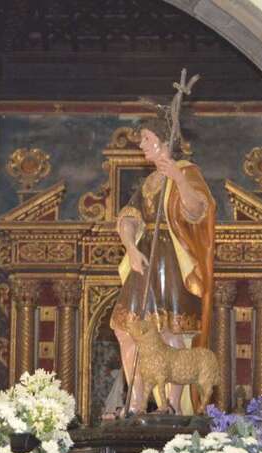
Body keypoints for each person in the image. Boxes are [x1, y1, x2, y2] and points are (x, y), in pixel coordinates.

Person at [110, 116, 215, 414]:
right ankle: (137, 400)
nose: (141, 144)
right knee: (126, 328)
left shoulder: (187, 172)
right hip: (144, 257)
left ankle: (172, 404)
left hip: (171, 258)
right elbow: (128, 218)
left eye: (146, 138)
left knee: (171, 330)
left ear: (164, 142)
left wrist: (179, 180)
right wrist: (130, 247)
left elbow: (197, 212)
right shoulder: (150, 181)